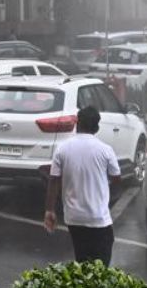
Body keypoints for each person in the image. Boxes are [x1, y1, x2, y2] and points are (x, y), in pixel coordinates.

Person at [43, 106, 119, 265]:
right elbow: (116, 177)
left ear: (77, 123)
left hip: (73, 218)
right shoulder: (105, 150)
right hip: (98, 218)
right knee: (101, 265)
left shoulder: (62, 149)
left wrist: (50, 210)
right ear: (97, 128)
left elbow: (53, 180)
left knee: (82, 259)